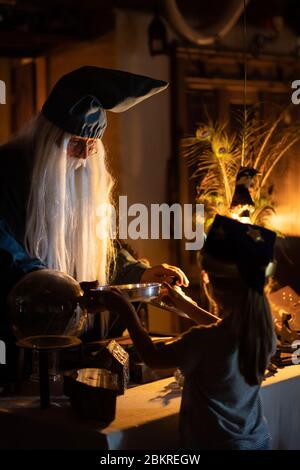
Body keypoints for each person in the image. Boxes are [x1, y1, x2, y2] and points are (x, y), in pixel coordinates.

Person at [0, 66, 188, 382]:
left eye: (93, 145)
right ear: (53, 139)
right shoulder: (7, 172)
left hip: (69, 332)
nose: (86, 156)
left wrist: (139, 273)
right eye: (77, 143)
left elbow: (97, 242)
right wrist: (52, 285)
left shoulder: (77, 174)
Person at [99, 214, 277, 450]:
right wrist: (186, 305)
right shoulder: (262, 331)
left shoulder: (202, 341)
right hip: (256, 441)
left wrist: (125, 309)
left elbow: (153, 358)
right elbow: (223, 332)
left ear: (214, 286)